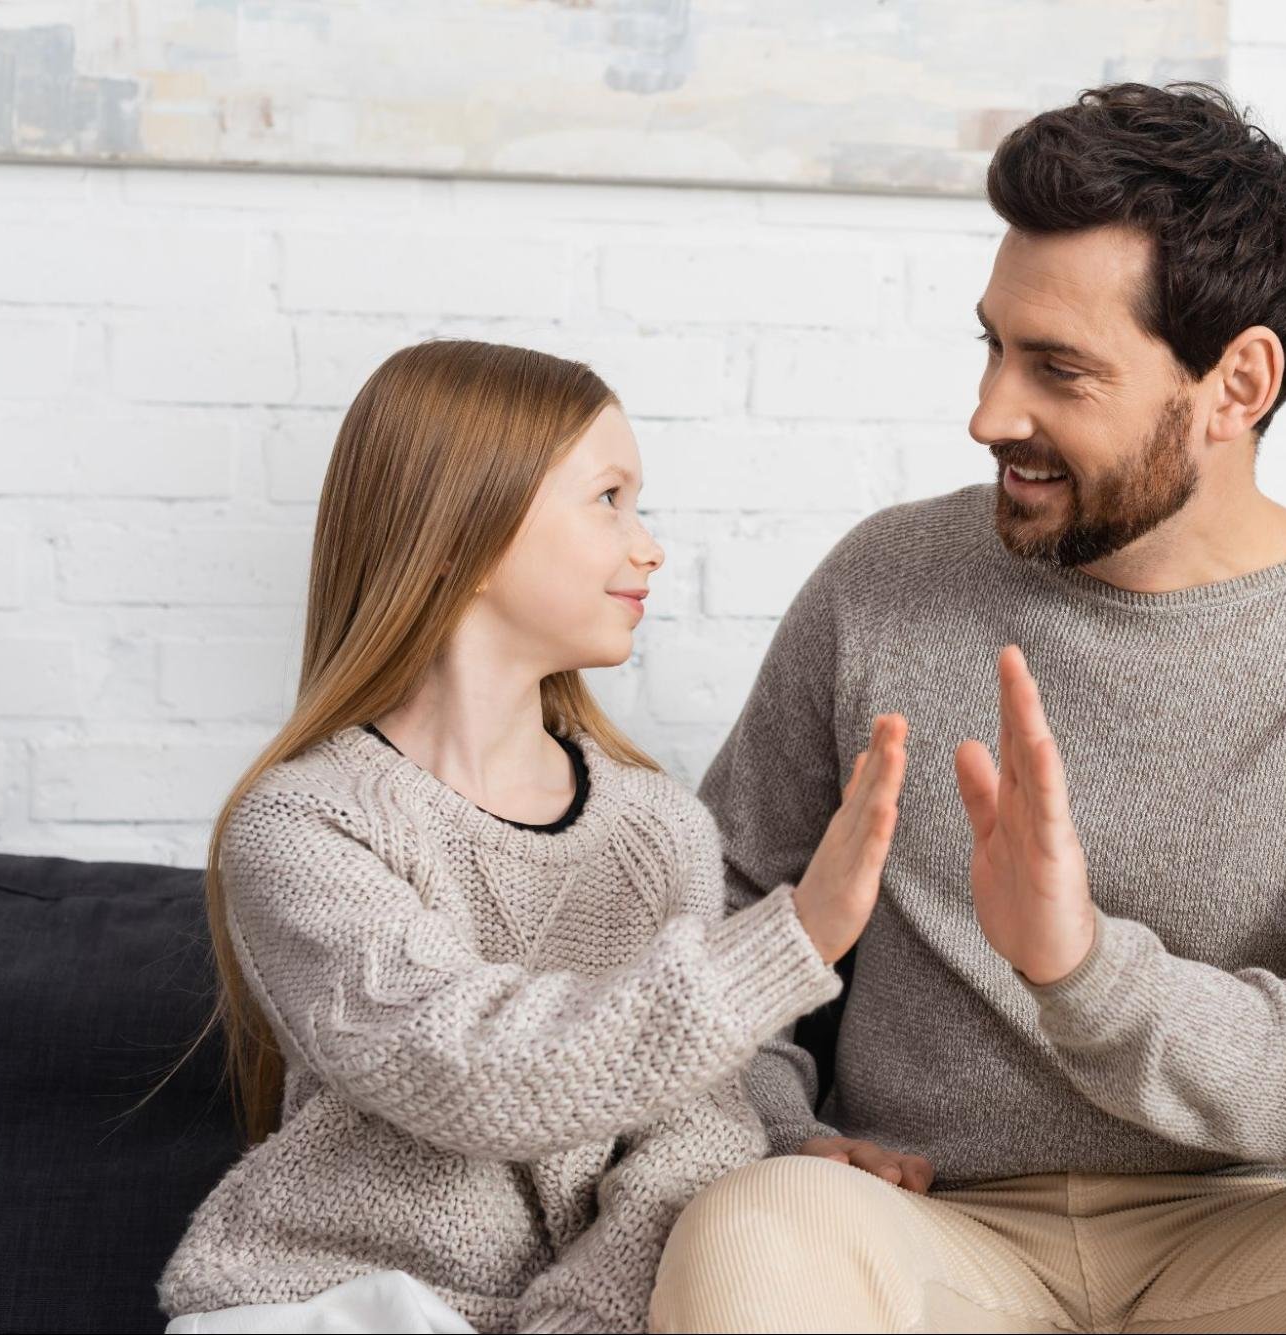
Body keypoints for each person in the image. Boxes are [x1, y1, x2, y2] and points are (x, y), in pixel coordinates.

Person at [651, 84, 1286, 1332]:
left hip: (1262, 1237)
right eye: (993, 347)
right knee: (753, 1233)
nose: (989, 414)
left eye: (1058, 368)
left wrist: (1087, 970)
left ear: (1237, 384)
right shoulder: (885, 584)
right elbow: (719, 906)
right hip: (932, 1223)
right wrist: (785, 1129)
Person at [153, 339, 911, 1334]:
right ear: (462, 528)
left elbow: (692, 1141)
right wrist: (789, 941)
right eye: (609, 499)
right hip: (328, 1304)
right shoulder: (305, 824)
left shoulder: (660, 830)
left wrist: (585, 1314)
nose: (649, 547)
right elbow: (464, 1066)